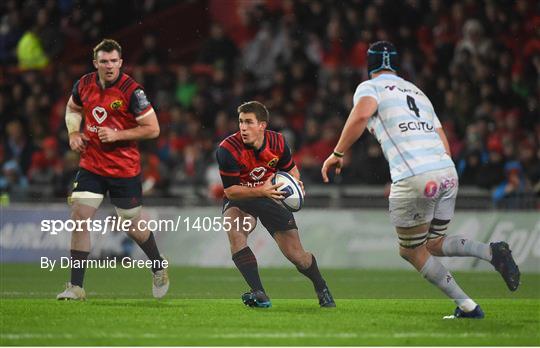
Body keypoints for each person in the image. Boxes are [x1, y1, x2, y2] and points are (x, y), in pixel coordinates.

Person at [321, 41, 520, 319]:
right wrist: (439, 172)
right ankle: (491, 251)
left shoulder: (370, 88)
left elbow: (362, 113)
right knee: (434, 243)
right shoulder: (418, 92)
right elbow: (443, 141)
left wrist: (337, 152)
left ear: (369, 66)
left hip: (415, 175)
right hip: (446, 171)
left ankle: (468, 306)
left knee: (411, 250)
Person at [57, 39, 168, 300]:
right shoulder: (83, 84)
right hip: (91, 164)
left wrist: (118, 134)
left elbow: (153, 128)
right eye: (104, 61)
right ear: (95, 63)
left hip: (123, 169)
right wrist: (73, 133)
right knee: (79, 216)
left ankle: (158, 263)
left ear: (120, 62)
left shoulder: (132, 91)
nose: (109, 66)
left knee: (131, 224)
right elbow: (72, 108)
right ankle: (76, 287)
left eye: (113, 61)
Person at [216, 101, 335, 308]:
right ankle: (259, 292)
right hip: (242, 198)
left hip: (271, 197)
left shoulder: (278, 142)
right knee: (236, 232)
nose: (243, 127)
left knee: (298, 257)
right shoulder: (228, 149)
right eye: (241, 122)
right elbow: (230, 190)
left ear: (262, 125)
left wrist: (296, 185)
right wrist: (260, 190)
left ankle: (321, 286)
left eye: (249, 122)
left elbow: (292, 171)